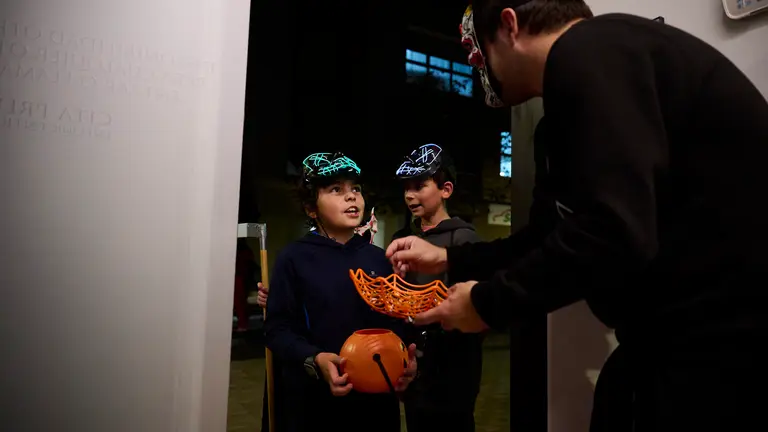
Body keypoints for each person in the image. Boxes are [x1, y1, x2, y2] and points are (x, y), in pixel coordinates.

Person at [386, 1, 768, 431]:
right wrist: (450, 260)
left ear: (510, 25)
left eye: (479, 51)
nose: (478, 66)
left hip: (724, 343)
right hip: (671, 342)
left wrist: (486, 304)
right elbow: (546, 237)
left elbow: (614, 231)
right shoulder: (562, 116)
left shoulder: (591, 50)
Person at [264, 151, 417, 432]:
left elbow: (396, 321)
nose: (351, 197)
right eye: (336, 189)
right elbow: (277, 329)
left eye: (355, 189)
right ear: (311, 208)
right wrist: (315, 358)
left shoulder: (380, 258)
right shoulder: (294, 258)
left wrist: (407, 358)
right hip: (316, 403)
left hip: (376, 403)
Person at [392, 144, 483, 432]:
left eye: (420, 186)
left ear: (446, 189)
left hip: (454, 366)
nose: (410, 195)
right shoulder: (402, 237)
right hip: (410, 363)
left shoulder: (463, 238)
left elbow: (474, 309)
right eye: (407, 187)